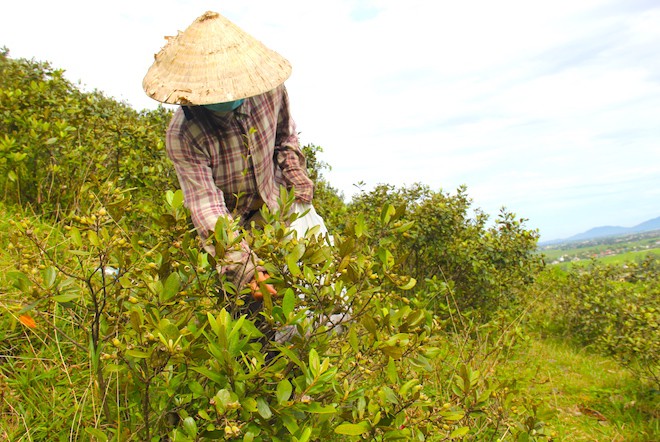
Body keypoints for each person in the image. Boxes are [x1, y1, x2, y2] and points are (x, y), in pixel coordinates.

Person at [142, 11, 314, 299]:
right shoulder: (184, 135)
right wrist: (246, 268)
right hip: (230, 228)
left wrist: (297, 184)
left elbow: (285, 136)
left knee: (302, 296)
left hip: (275, 208)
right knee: (245, 307)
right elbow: (207, 207)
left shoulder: (269, 91)